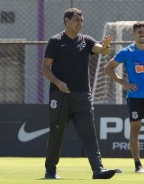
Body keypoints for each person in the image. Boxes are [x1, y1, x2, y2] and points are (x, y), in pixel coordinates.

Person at [41, 8, 117, 179]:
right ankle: (50, 170)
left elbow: (102, 50)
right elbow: (45, 68)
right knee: (57, 133)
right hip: (60, 96)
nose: (80, 23)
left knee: (90, 133)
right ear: (66, 21)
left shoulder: (87, 41)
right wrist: (58, 83)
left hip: (83, 96)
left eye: (81, 20)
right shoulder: (55, 41)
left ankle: (98, 170)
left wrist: (106, 46)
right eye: (76, 20)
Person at [105, 22, 144, 173]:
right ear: (134, 34)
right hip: (135, 98)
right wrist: (123, 82)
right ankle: (137, 165)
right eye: (140, 32)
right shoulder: (127, 52)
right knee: (135, 129)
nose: (142, 34)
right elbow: (108, 68)